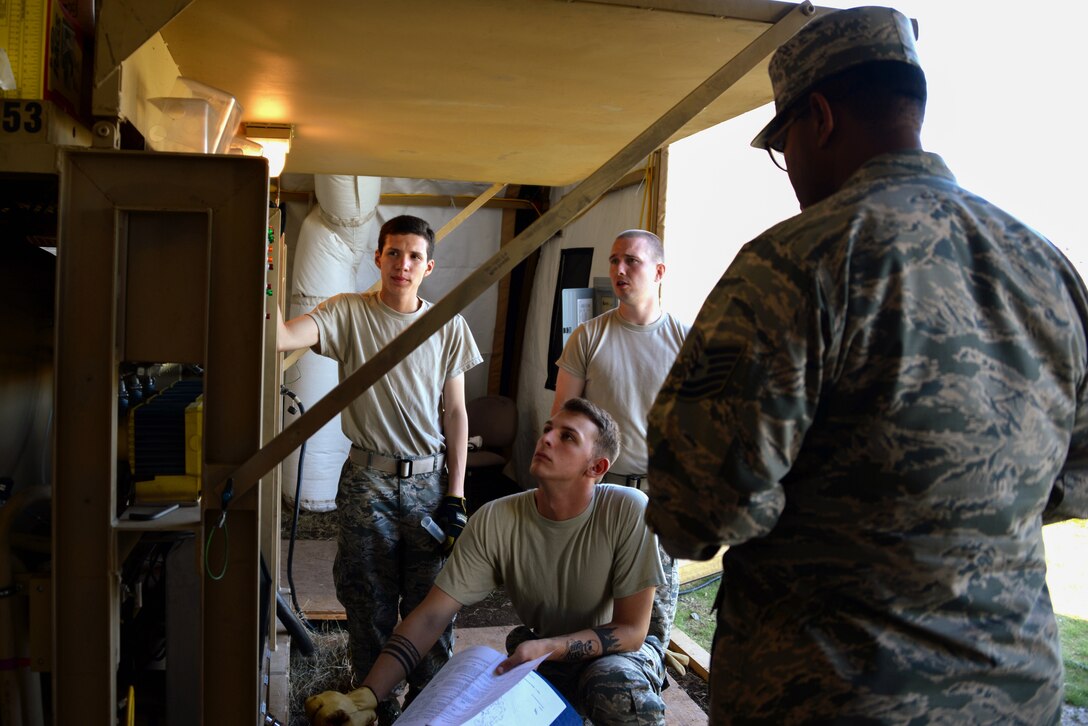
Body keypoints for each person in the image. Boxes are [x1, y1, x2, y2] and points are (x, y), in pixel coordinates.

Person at [645, 6, 1088, 725]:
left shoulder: (793, 264)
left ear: (818, 117)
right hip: (1013, 694)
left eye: (782, 142)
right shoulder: (1045, 265)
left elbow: (697, 508)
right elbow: (1076, 478)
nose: (788, 167)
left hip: (830, 694)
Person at [306, 397, 667, 725]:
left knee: (612, 688)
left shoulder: (627, 509)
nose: (547, 439)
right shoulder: (496, 519)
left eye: (568, 437)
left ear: (597, 466)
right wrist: (368, 694)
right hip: (541, 653)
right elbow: (432, 615)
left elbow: (633, 632)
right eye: (548, 430)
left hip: (620, 656)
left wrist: (550, 647)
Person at [278, 214, 483, 723]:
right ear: (378, 257)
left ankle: (430, 710)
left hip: (430, 486)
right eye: (394, 253)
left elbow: (456, 414)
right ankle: (372, 708)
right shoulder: (347, 312)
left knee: (431, 603)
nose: (403, 264)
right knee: (367, 603)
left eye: (414, 256)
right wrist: (265, 266)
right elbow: (281, 337)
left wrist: (455, 496)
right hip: (366, 482)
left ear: (429, 266)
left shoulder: (448, 324)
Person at [552, 229, 689, 669]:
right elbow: (563, 424)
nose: (620, 270)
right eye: (613, 261)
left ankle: (640, 703)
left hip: (660, 500)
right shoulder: (588, 337)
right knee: (588, 614)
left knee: (650, 633)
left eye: (631, 260)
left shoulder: (689, 342)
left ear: (660, 271)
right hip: (600, 494)